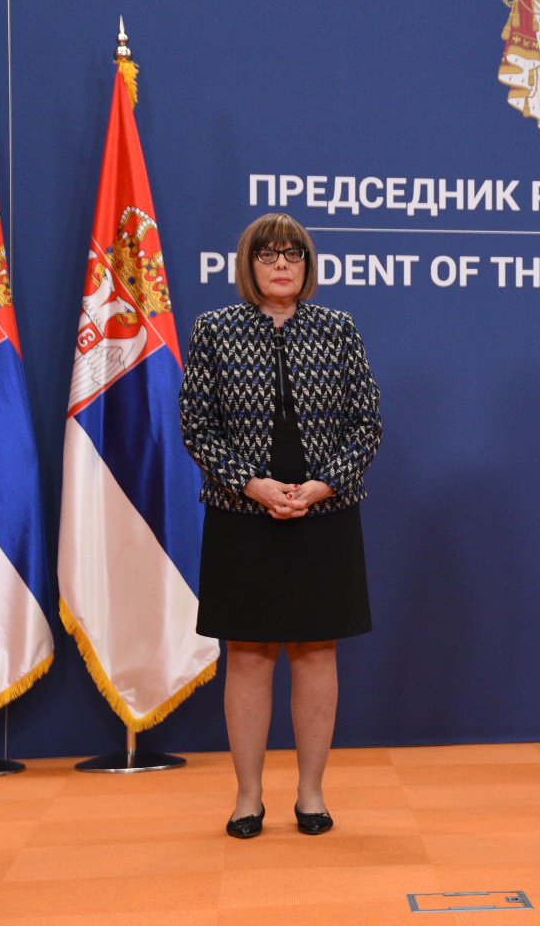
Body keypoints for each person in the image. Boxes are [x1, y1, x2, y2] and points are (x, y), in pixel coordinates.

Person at [179, 213, 382, 838]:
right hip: (245, 515)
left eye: (292, 254)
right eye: (267, 254)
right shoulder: (215, 331)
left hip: (325, 514)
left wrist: (320, 485)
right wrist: (253, 483)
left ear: (308, 264)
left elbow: (366, 426)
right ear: (249, 265)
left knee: (318, 652)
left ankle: (312, 793)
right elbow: (197, 427)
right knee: (250, 653)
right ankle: (246, 798)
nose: (281, 263)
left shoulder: (338, 330)